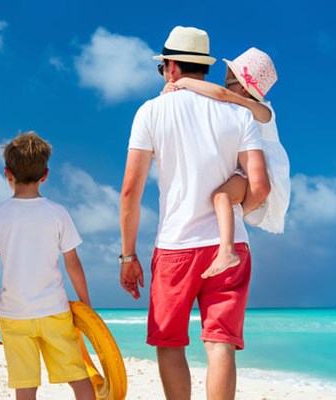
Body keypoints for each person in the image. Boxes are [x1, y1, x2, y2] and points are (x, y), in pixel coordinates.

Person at [118, 26, 270, 400]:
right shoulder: (239, 114)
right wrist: (238, 213)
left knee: (170, 343)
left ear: (170, 68)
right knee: (220, 343)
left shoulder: (151, 112)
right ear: (203, 68)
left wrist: (128, 254)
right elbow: (259, 185)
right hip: (229, 243)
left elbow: (130, 192)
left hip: (176, 246)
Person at [0, 132, 95, 400]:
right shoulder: (57, 212)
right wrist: (86, 306)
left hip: (13, 314)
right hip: (54, 312)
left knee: (25, 386)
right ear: (45, 174)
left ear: (7, 173)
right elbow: (73, 265)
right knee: (78, 377)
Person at [162, 47, 290, 277]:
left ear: (242, 86)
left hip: (262, 175)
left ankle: (227, 251)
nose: (223, 85)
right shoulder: (238, 109)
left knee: (221, 197)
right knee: (224, 199)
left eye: (228, 81)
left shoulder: (264, 111)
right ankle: (227, 249)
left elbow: (221, 95)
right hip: (247, 172)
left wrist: (183, 83)